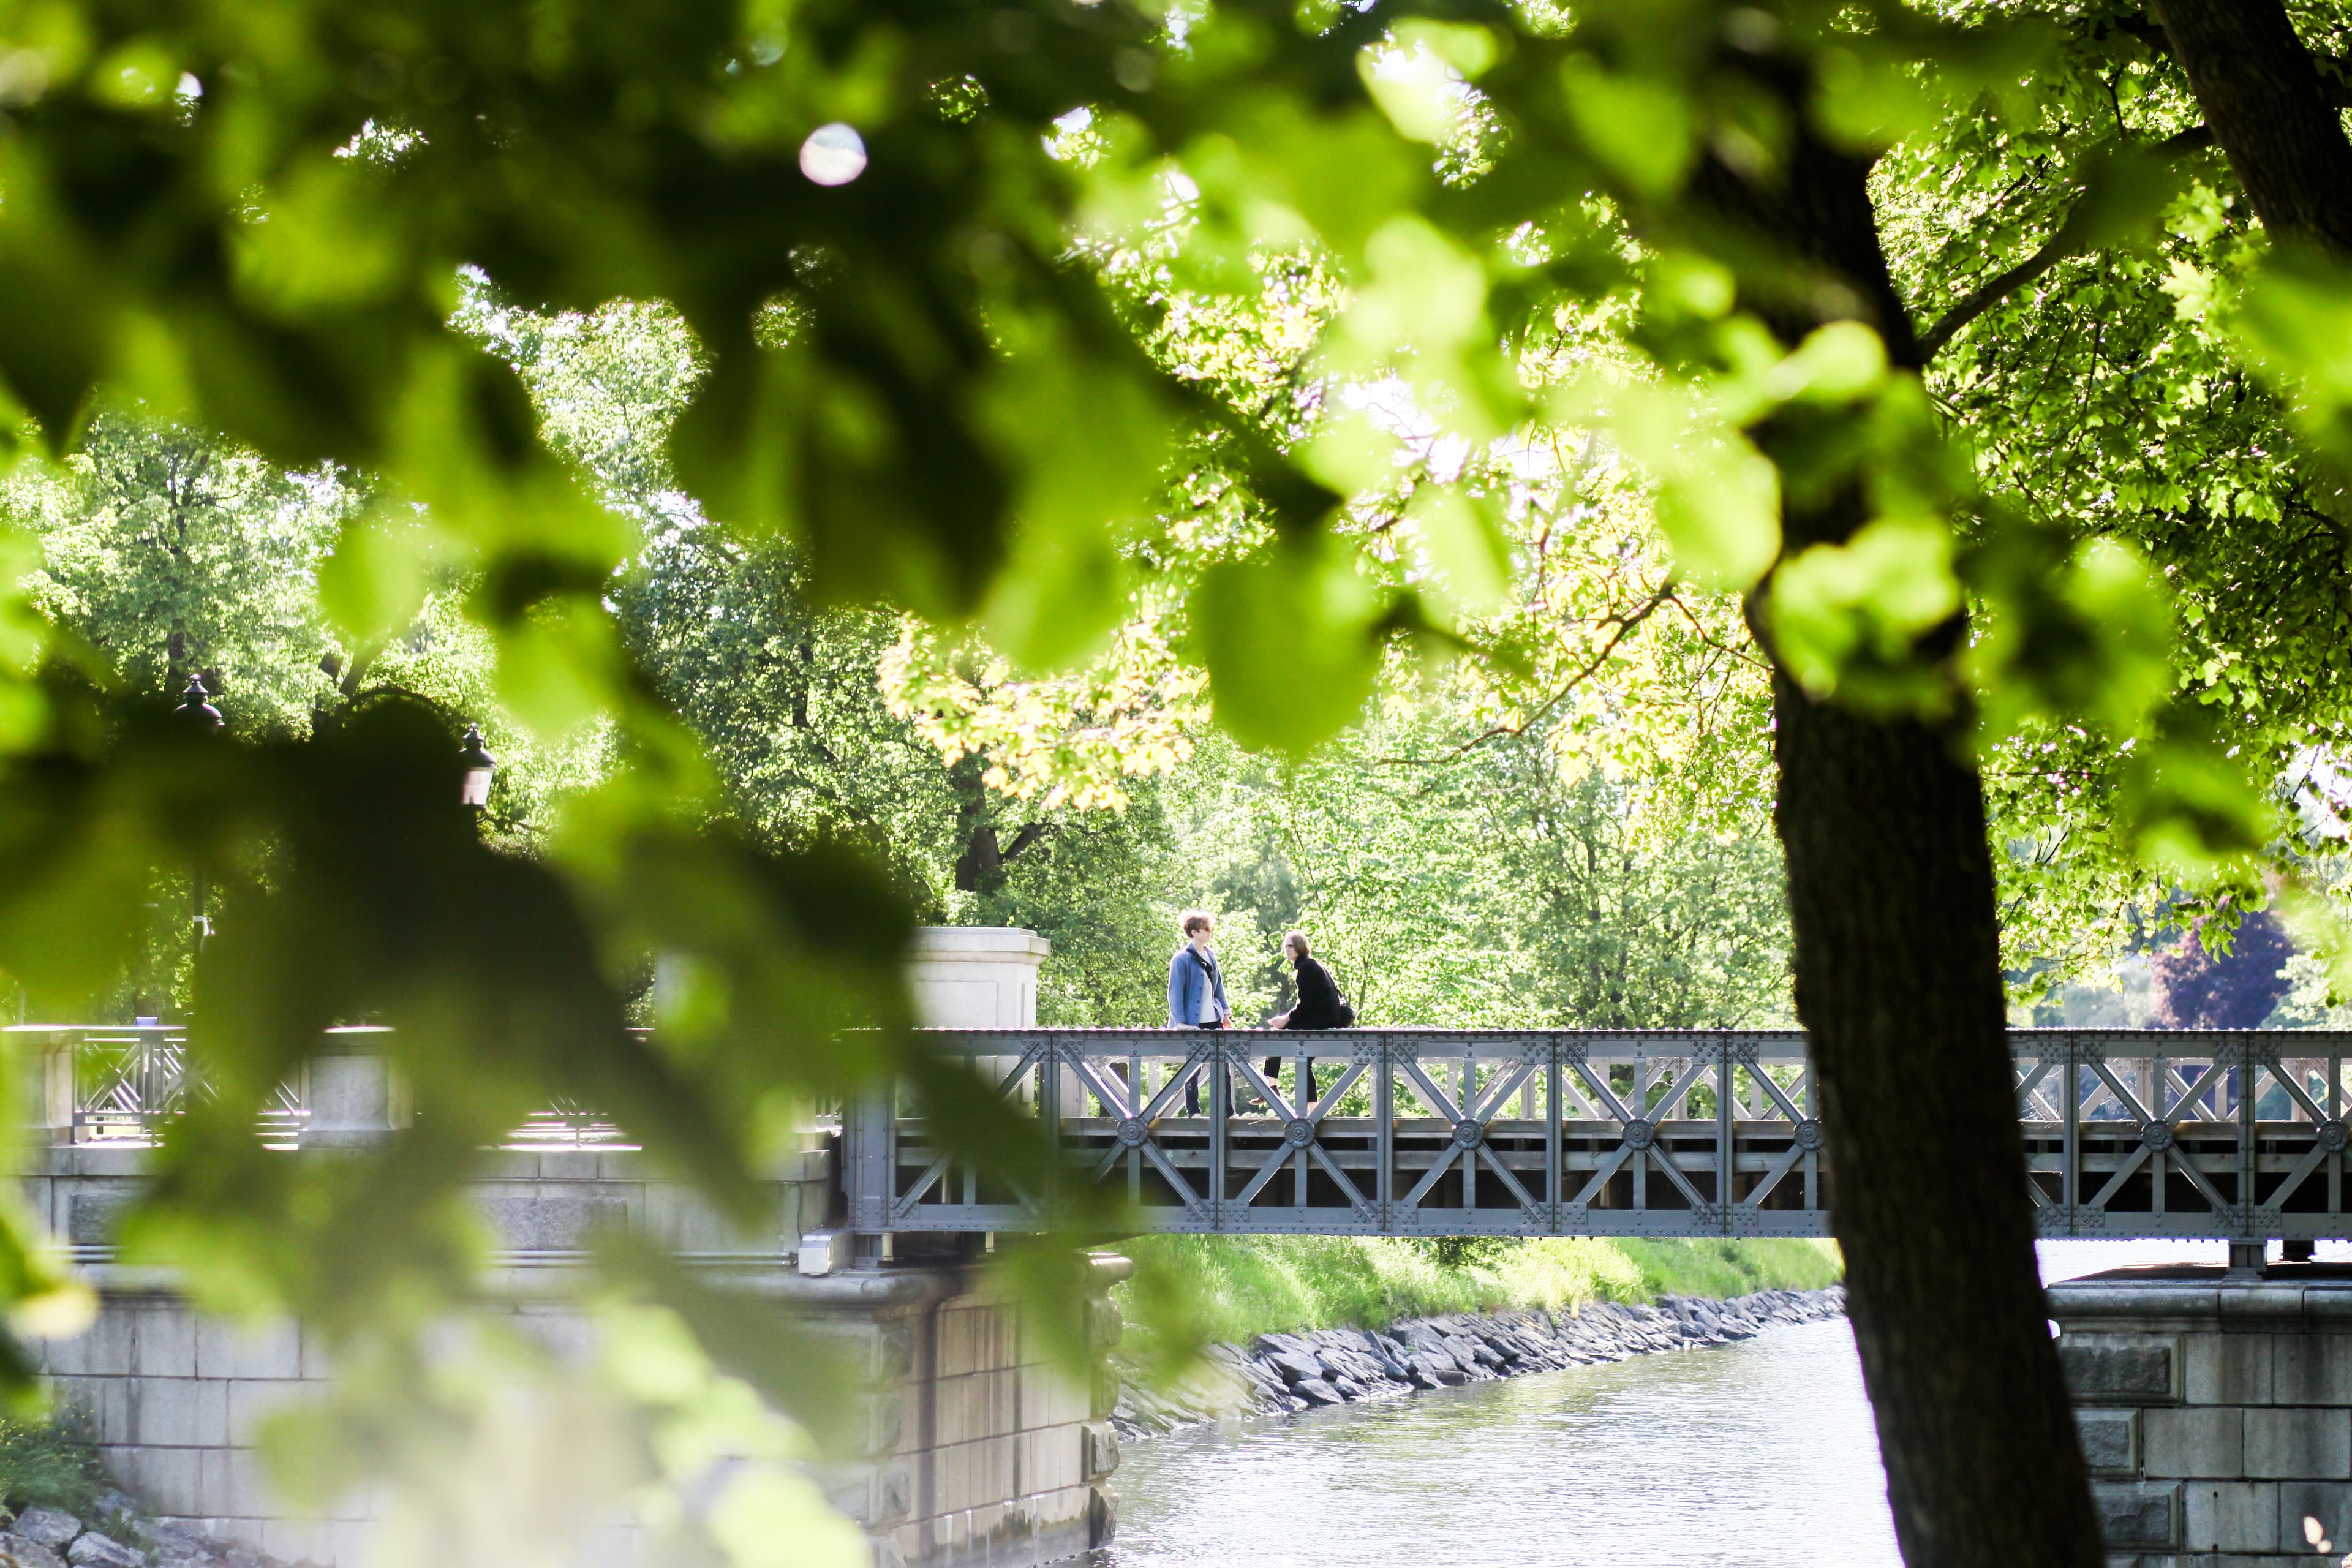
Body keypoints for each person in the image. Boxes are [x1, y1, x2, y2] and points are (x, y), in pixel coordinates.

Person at [1264, 929, 1351, 1105]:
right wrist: (1287, 1018)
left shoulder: (1306, 968)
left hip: (1319, 1022)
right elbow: (1308, 1004)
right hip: (1325, 1021)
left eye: (1291, 946)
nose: (1288, 950)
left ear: (1300, 947)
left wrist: (1286, 1019)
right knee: (1304, 1062)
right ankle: (1313, 1111)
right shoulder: (1313, 965)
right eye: (1286, 946)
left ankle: (1271, 1088)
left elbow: (1306, 1004)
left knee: (1276, 1037)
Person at [1166, 911, 1229, 1113]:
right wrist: (1181, 1023)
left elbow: (1218, 987)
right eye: (1207, 929)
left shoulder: (1210, 956)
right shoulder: (1181, 959)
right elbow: (1174, 993)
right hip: (1193, 1021)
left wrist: (1226, 1012)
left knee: (1223, 1066)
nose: (1210, 932)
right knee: (1193, 1068)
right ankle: (1193, 1111)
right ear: (1194, 932)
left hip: (1214, 1019)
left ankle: (1227, 1111)